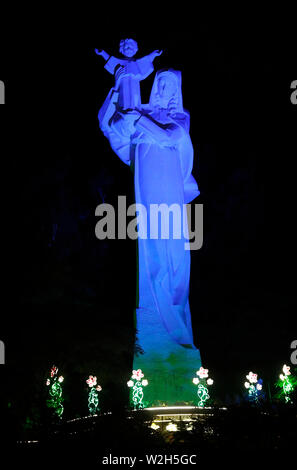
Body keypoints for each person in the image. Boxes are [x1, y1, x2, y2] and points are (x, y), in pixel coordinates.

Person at [100, 69, 200, 352]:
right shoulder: (139, 112)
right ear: (155, 86)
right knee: (153, 245)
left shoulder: (179, 117)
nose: (165, 90)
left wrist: (139, 119)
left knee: (174, 249)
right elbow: (111, 129)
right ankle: (154, 324)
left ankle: (176, 325)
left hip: (170, 183)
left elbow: (171, 137)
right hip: (148, 182)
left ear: (176, 91)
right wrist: (119, 91)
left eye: (171, 86)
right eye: (161, 84)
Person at [95, 38, 162, 111]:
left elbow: (146, 60)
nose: (129, 48)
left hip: (135, 87)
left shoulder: (137, 63)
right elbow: (111, 60)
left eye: (131, 47)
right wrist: (102, 53)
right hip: (123, 86)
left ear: (136, 49)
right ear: (121, 49)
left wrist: (154, 54)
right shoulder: (119, 62)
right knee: (124, 99)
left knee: (135, 100)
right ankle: (124, 111)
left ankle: (136, 111)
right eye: (126, 47)